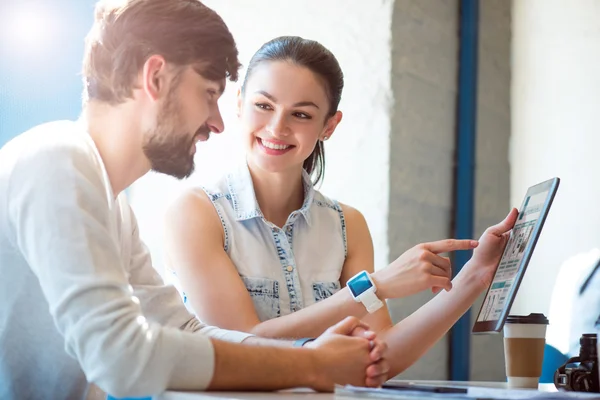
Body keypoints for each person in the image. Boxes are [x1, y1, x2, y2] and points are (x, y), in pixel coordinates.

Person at [0, 4, 391, 400]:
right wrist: (314, 365)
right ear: (155, 77)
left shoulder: (113, 207)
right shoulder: (56, 161)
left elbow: (183, 331)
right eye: (209, 93)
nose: (217, 123)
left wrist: (312, 353)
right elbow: (122, 357)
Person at [165, 35, 519, 377]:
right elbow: (237, 349)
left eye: (301, 115)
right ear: (240, 104)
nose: (276, 127)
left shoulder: (347, 225)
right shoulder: (197, 212)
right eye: (264, 106)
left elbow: (379, 359)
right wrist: (372, 288)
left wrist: (474, 276)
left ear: (329, 126)